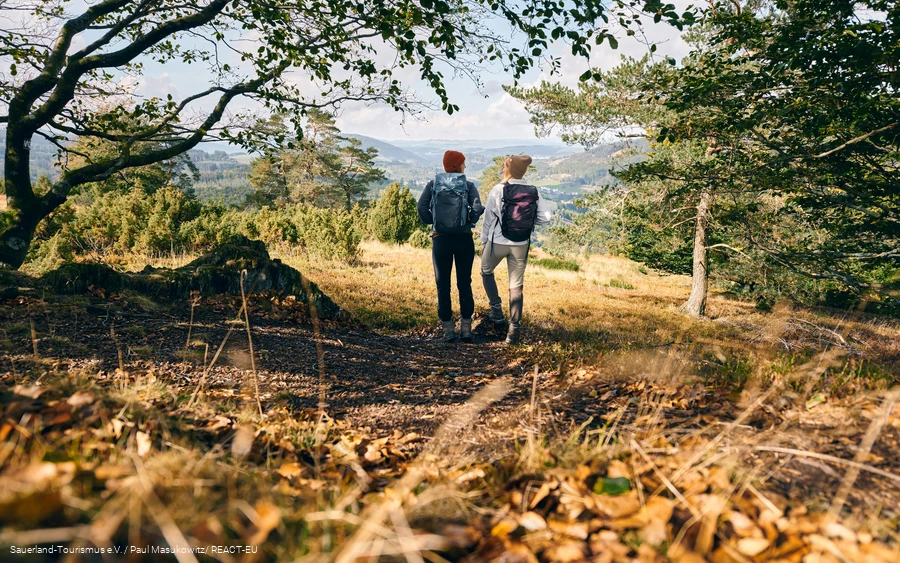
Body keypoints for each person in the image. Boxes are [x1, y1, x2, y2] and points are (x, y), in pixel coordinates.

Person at [480, 154, 552, 344]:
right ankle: (513, 331)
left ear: (509, 170)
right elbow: (546, 217)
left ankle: (496, 311)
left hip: (498, 242)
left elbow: (488, 219)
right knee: (516, 286)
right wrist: (529, 222)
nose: (502, 168)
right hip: (521, 244)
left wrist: (484, 241)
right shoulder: (533, 191)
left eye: (504, 166)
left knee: (486, 271)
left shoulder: (498, 189)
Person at [417, 150, 484, 342]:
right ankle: (466, 329)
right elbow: (477, 208)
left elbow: (421, 207)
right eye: (463, 163)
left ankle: (448, 330)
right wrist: (469, 222)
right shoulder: (468, 185)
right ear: (458, 165)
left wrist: (433, 222)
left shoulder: (433, 184)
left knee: (442, 284)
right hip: (464, 239)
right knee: (464, 283)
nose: (465, 166)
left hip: (441, 239)